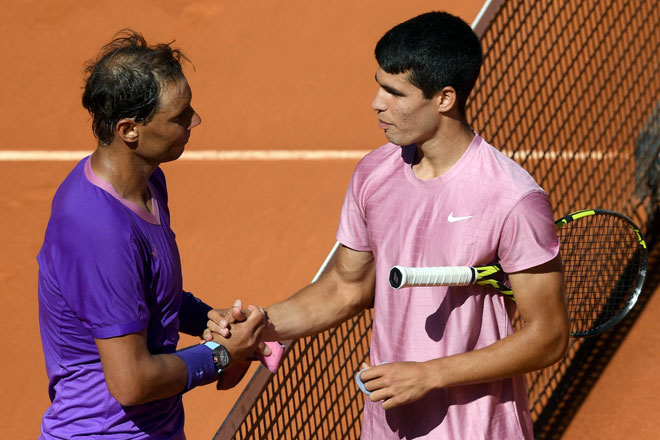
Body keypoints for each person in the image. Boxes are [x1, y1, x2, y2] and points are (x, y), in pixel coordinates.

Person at [207, 11, 569, 439]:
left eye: (395, 92)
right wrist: (260, 325)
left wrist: (428, 375)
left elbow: (549, 335)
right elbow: (347, 286)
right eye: (378, 85)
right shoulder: (374, 174)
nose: (376, 103)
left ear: (445, 99)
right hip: (387, 428)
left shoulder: (511, 199)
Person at [36, 30, 268, 439]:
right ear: (130, 130)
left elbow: (139, 293)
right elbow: (132, 382)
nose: (195, 120)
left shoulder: (148, 183)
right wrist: (219, 355)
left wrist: (204, 317)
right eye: (180, 116)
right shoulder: (98, 230)